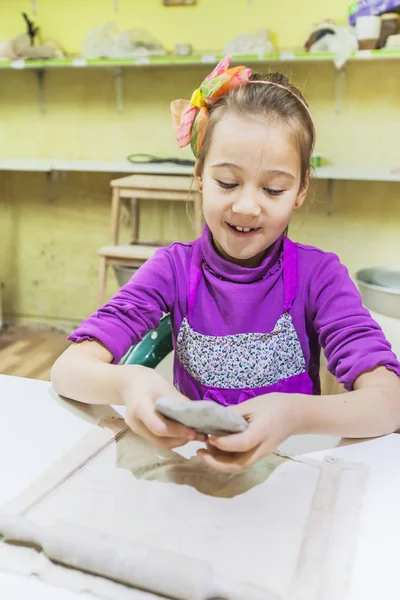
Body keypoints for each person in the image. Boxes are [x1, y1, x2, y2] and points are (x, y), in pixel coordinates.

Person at [52, 57, 400, 473]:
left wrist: (295, 414)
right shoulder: (172, 269)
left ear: (301, 190)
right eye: (228, 183)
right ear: (200, 175)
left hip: (291, 469)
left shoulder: (319, 277)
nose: (247, 206)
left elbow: (389, 400)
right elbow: (67, 370)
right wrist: (131, 383)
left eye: (273, 189)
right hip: (193, 468)